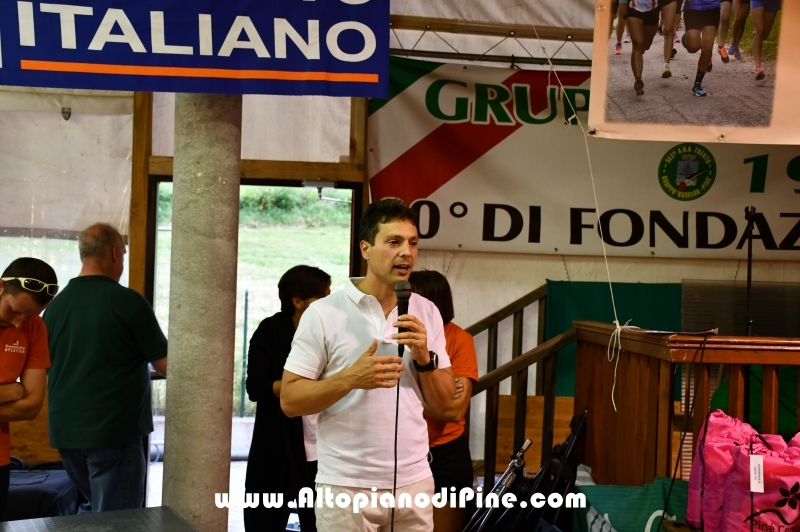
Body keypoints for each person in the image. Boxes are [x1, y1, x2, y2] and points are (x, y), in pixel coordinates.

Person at [281, 198, 455, 532]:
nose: (406, 252)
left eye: (413, 243)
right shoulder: (324, 313)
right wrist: (350, 379)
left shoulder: (426, 311)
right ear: (365, 249)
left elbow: (446, 405)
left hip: (414, 482)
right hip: (347, 486)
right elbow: (290, 401)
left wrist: (423, 360)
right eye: (393, 242)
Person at [43, 223, 168, 513]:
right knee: (117, 521)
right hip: (112, 433)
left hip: (66, 433)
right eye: (122, 254)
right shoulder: (127, 302)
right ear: (114, 253)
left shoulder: (55, 307)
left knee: (91, 511)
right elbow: (165, 364)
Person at [244, 265, 331, 532]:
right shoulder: (270, 331)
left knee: (320, 522)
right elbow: (255, 387)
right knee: (265, 520)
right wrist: (299, 386)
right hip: (276, 444)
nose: (330, 304)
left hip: (323, 448)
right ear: (297, 301)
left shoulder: (330, 331)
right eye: (323, 297)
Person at [409, 271, 478, 532]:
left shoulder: (458, 339)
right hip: (402, 452)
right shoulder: (395, 334)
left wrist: (407, 397)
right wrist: (433, 398)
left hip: (445, 454)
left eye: (411, 296)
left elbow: (453, 410)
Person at [0, 258, 57, 518]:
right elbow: (21, 394)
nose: (18, 323)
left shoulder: (35, 328)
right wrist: (12, 391)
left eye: (29, 315)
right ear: (0, 287)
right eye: (13, 310)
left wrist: (21, 393)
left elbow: (32, 405)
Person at [681, 0, 721, 96]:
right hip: (692, 7)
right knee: (692, 47)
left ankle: (697, 83)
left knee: (707, 46)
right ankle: (687, 39)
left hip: (713, 6)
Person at [625, 0, 662, 95]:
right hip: (634, 9)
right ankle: (638, 79)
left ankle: (638, 58)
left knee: (645, 45)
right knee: (638, 44)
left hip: (652, 10)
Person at [751, 0, 781, 80]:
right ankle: (758, 68)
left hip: (773, 2)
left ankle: (756, 36)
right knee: (760, 29)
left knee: (764, 34)